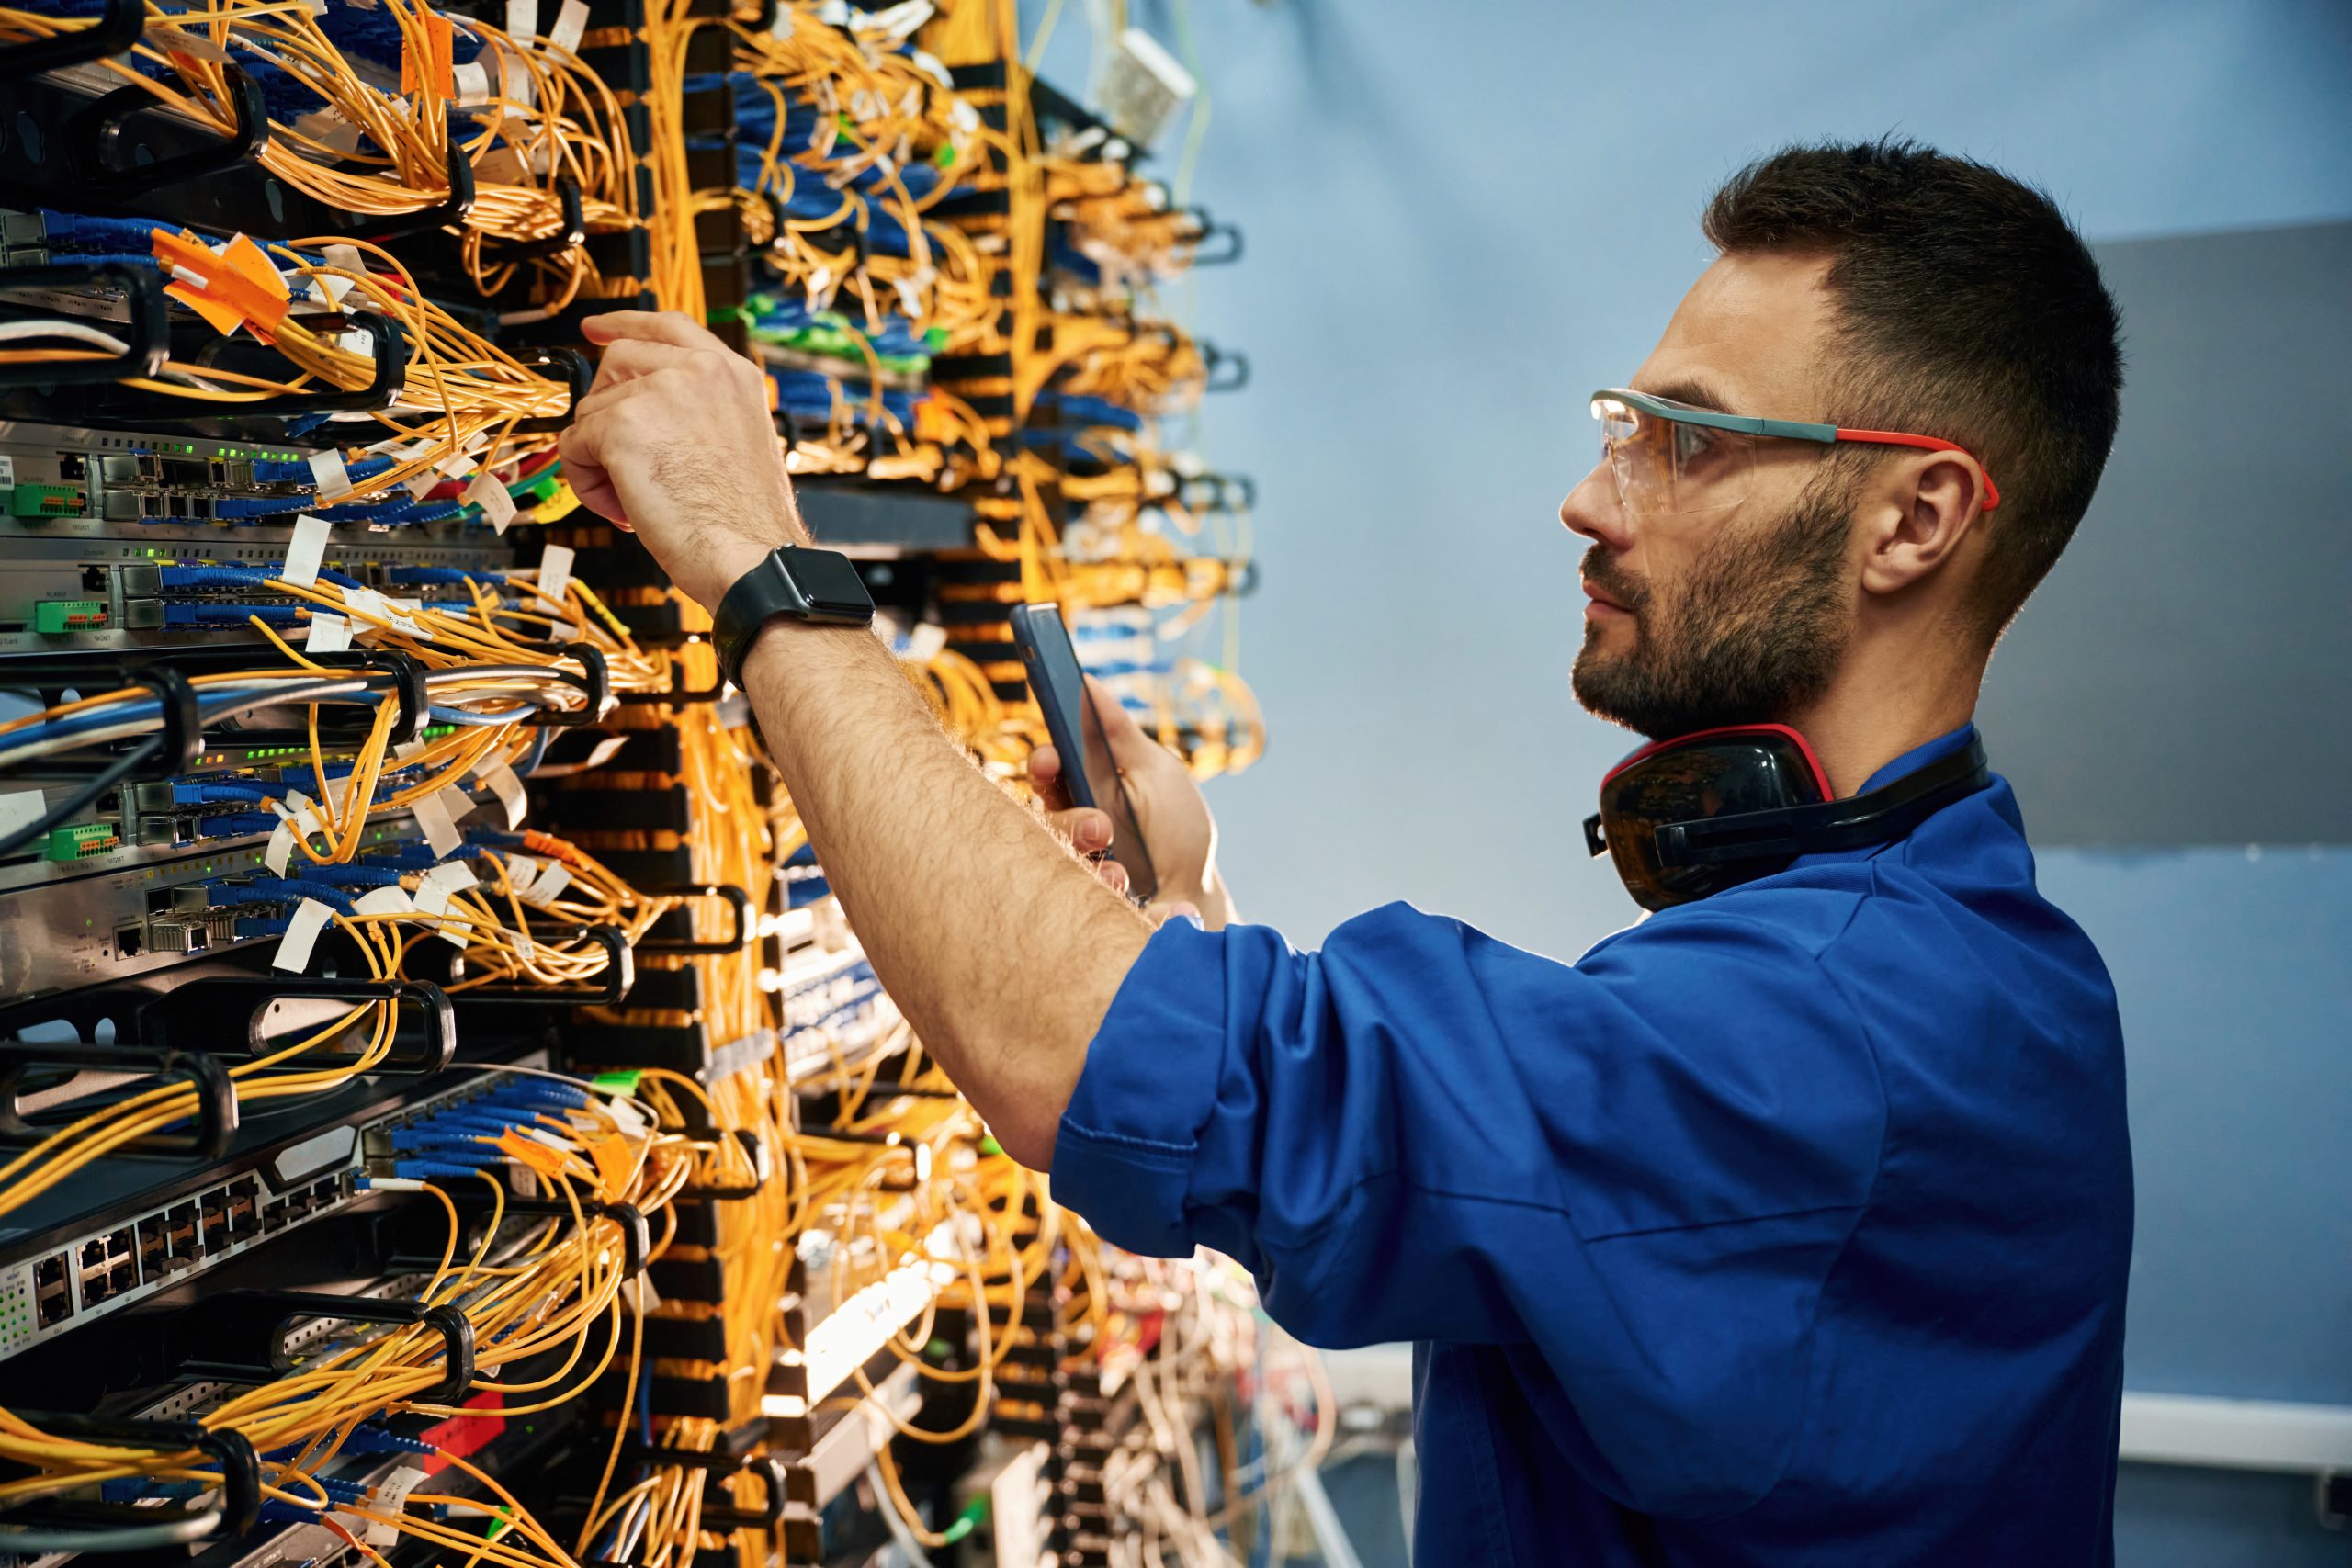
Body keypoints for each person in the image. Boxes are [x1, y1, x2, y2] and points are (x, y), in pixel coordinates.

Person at [559, 138, 2132, 1564]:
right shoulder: (1973, 961)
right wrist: (1192, 920)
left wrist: (758, 558)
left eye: (1688, 445)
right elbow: (1456, 1179)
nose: (1592, 496)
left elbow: (1069, 1056)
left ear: (1915, 522)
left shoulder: (1830, 1034)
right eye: (1623, 427)